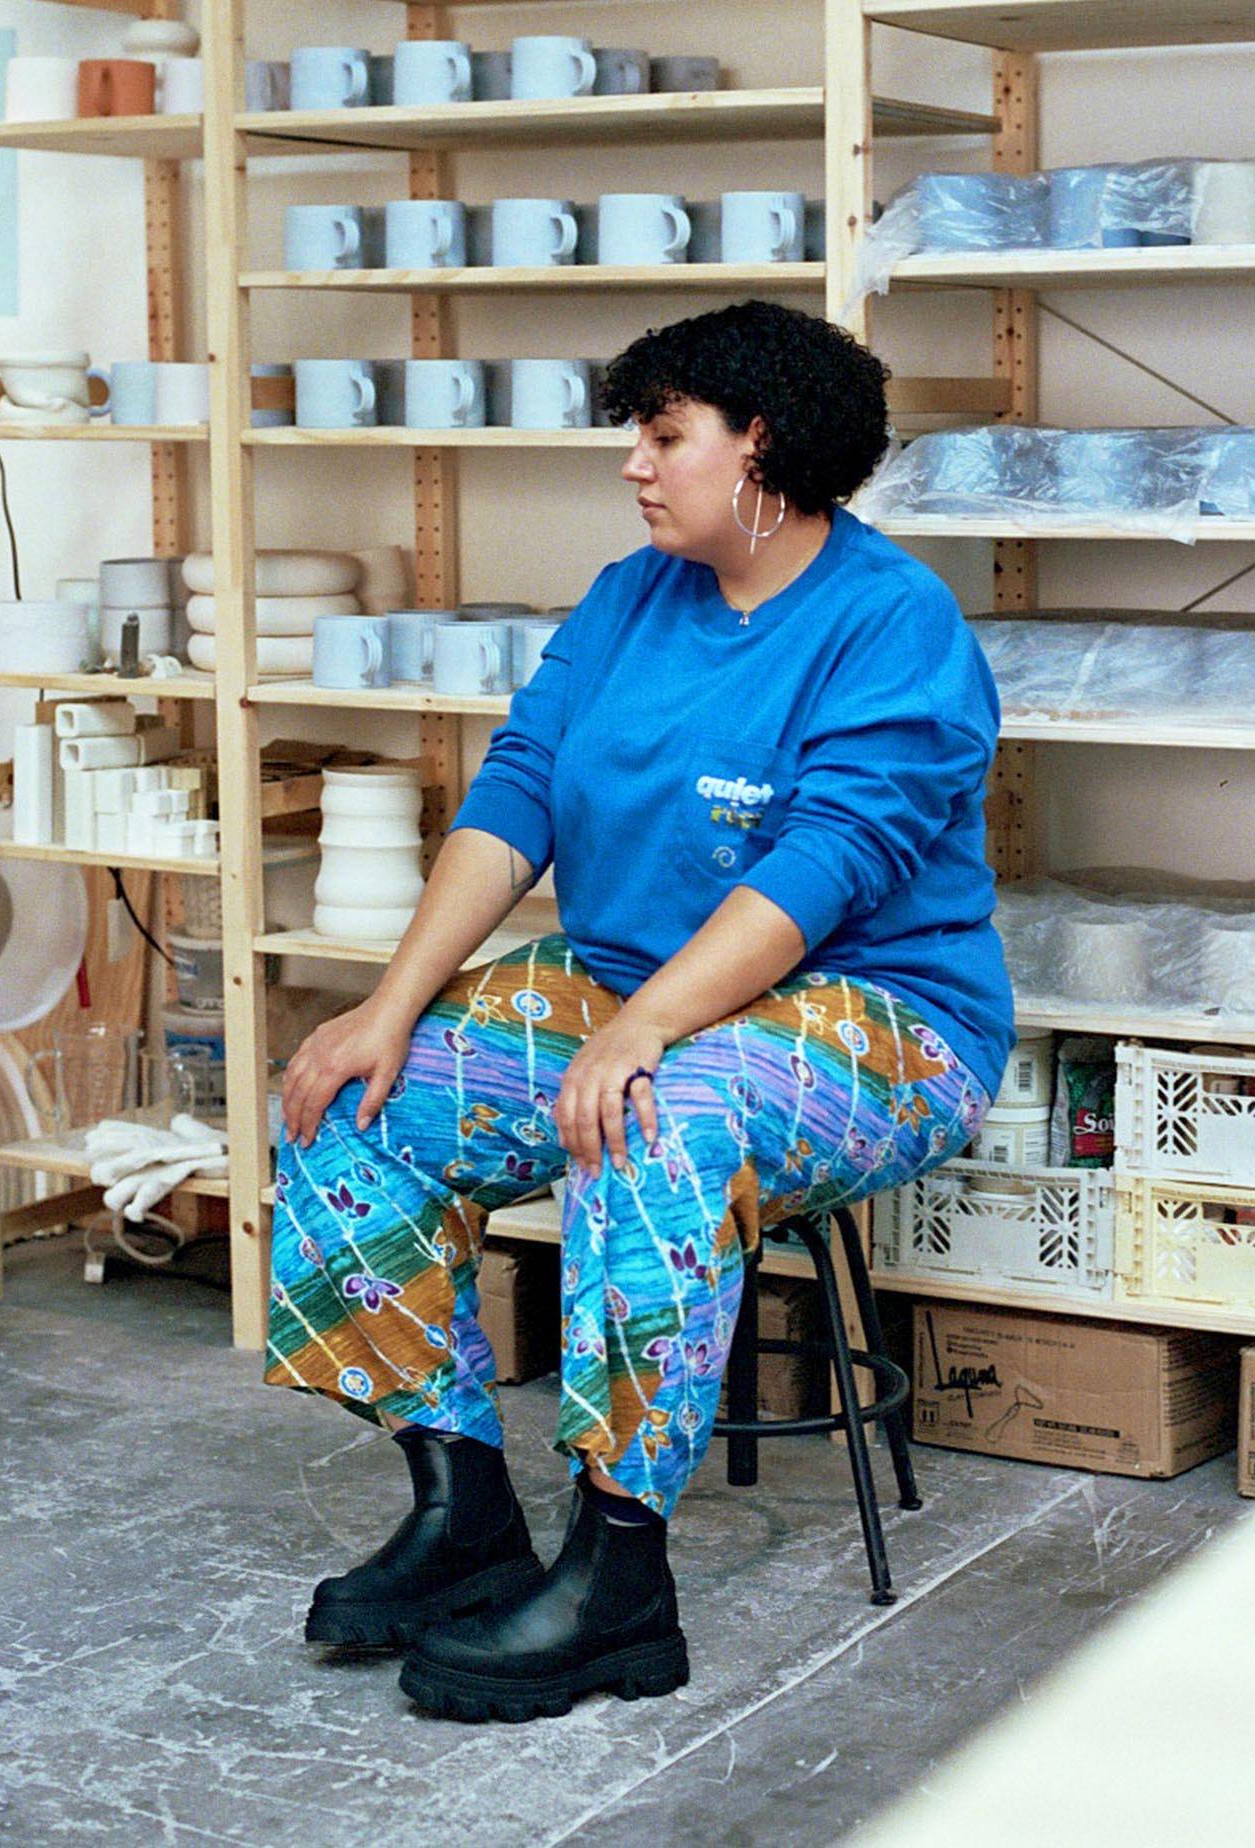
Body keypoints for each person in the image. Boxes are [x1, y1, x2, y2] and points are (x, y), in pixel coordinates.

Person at [267, 299, 1014, 1724]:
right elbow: (519, 794)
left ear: (764, 450)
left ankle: (618, 1574)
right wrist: (387, 1006)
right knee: (356, 1095)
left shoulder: (891, 623)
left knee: (653, 1126)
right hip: (628, 989)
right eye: (637, 433)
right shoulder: (630, 597)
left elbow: (823, 866)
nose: (635, 464)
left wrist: (642, 1032)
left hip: (879, 1017)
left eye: (665, 435)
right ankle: (462, 1503)